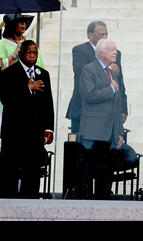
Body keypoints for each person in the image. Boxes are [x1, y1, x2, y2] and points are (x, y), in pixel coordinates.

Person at [0, 40, 54, 198]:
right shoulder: (8, 73)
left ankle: (31, 204)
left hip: (34, 132)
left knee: (32, 172)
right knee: (10, 171)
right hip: (13, 132)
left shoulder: (43, 74)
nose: (33, 56)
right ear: (21, 53)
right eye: (30, 52)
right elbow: (6, 100)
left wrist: (48, 128)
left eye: (35, 53)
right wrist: (27, 89)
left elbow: (48, 103)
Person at [78, 39, 125, 200]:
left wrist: (120, 132)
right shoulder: (88, 70)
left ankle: (104, 207)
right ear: (101, 53)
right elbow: (89, 95)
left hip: (110, 133)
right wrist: (110, 89)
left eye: (116, 49)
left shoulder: (112, 73)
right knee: (90, 173)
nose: (115, 52)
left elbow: (117, 105)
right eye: (112, 49)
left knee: (105, 176)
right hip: (94, 132)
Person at [66, 21, 128, 134]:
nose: (104, 37)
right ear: (90, 35)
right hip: (83, 109)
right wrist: (106, 66)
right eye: (101, 34)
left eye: (106, 34)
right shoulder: (80, 51)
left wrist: (123, 108)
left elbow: (120, 82)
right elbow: (82, 74)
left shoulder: (115, 53)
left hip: (107, 112)